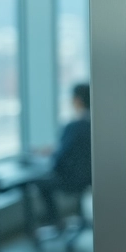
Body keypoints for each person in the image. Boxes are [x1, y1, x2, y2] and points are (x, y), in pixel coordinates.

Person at [35, 82, 92, 234]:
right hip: (90, 178)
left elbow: (58, 159)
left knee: (40, 182)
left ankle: (55, 222)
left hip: (72, 180)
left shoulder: (73, 127)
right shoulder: (96, 124)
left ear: (77, 100)